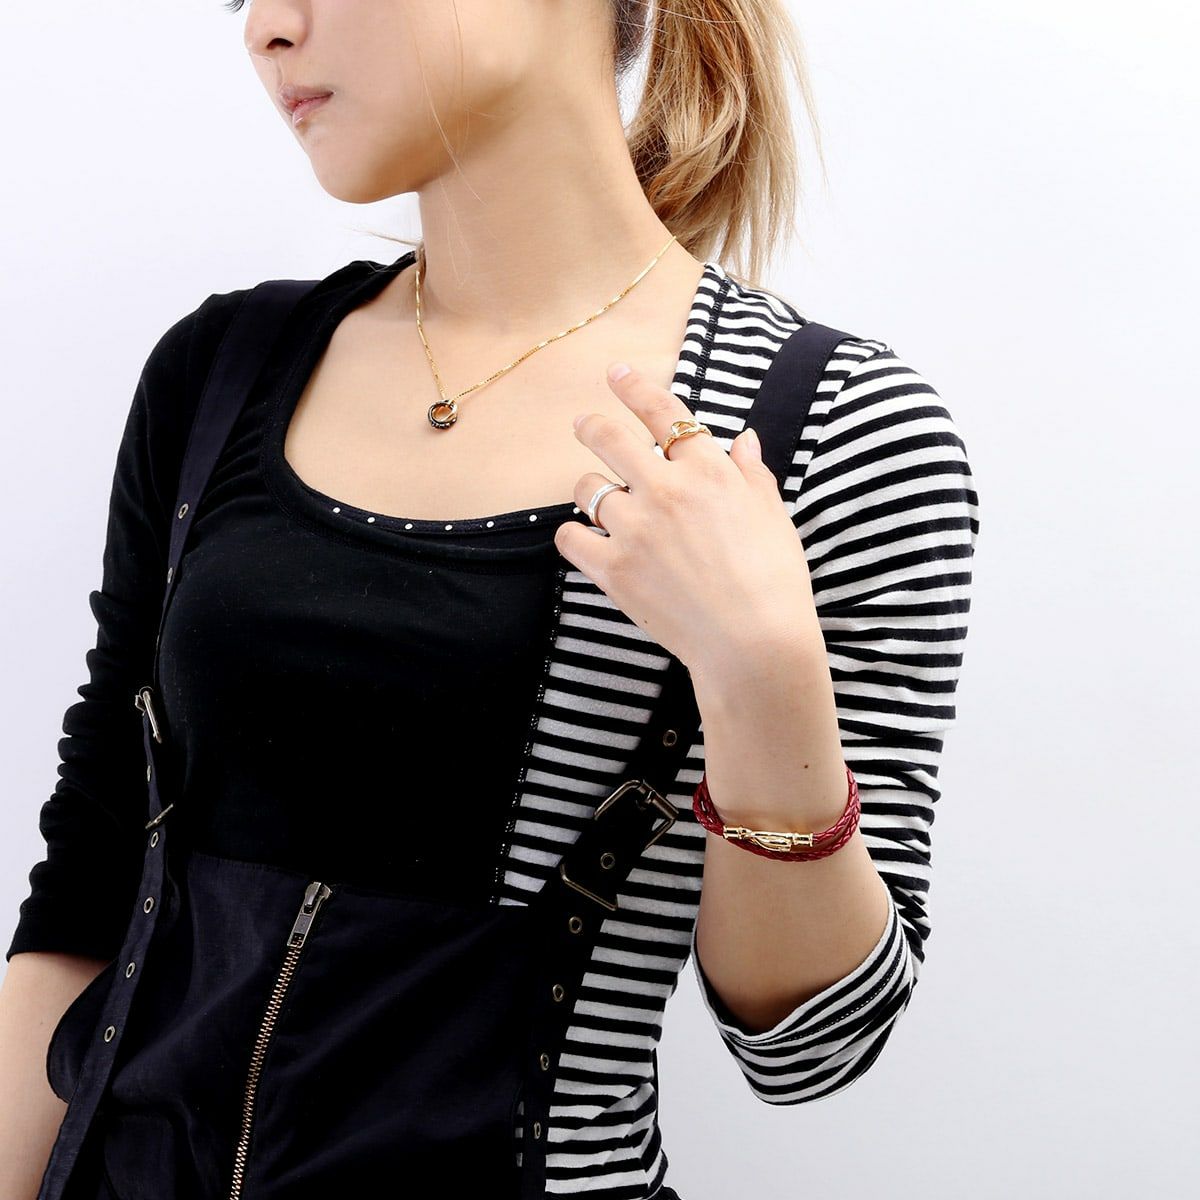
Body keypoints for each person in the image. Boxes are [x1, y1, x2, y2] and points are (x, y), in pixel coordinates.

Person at [0, 2, 981, 1198]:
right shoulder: (222, 371)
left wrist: (761, 677)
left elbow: (813, 1047)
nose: (268, 29)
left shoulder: (823, 430)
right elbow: (91, 874)